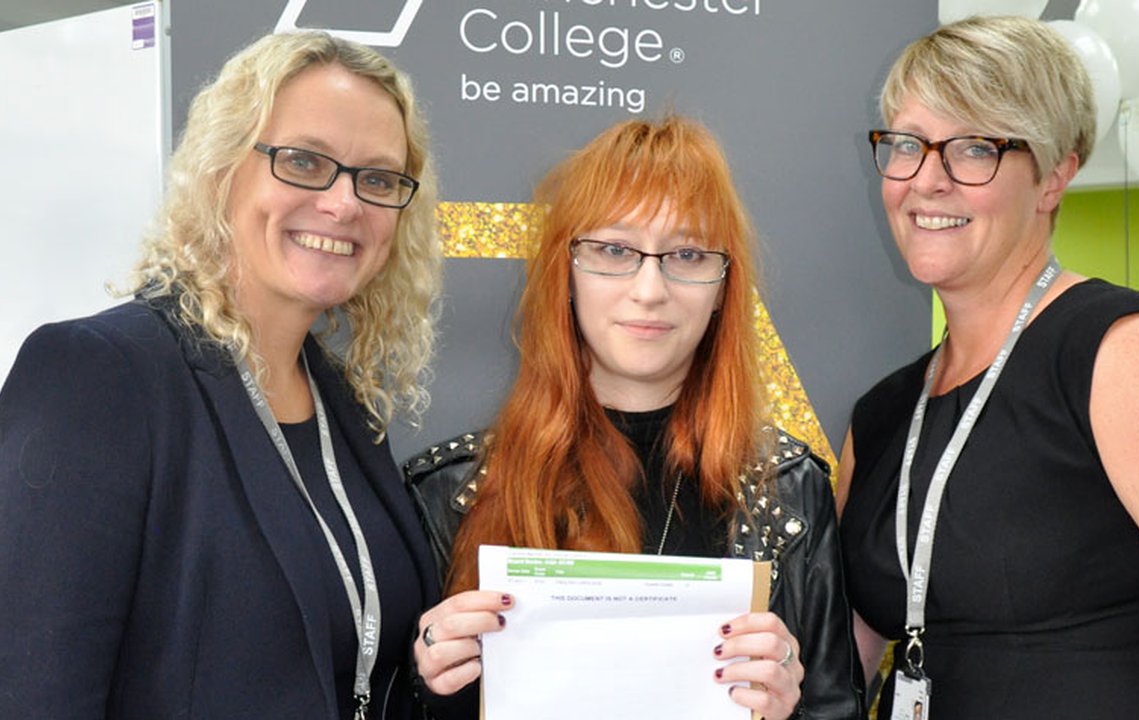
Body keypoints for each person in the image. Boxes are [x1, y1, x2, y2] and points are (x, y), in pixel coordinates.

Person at [836, 15, 1139, 720]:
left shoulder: (1123, 352)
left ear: (1054, 176)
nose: (928, 181)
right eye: (907, 145)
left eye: (973, 149)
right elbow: (840, 669)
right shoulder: (885, 414)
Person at [0, 32, 444, 719]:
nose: (344, 203)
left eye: (377, 178)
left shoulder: (346, 408)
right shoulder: (97, 377)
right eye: (303, 161)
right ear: (221, 169)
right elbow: (33, 692)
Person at [404, 116, 863, 719]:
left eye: (688, 254)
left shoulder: (789, 489)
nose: (650, 289)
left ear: (725, 286)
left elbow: (836, 710)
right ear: (564, 271)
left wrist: (789, 710)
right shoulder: (451, 491)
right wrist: (425, 686)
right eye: (614, 250)